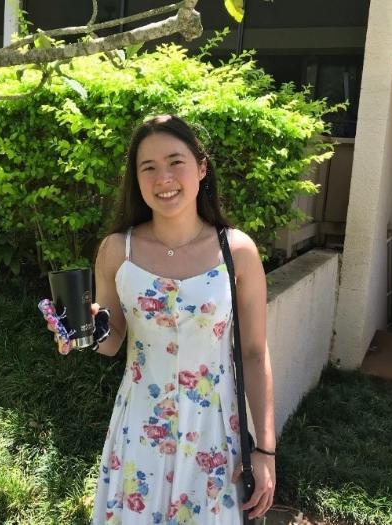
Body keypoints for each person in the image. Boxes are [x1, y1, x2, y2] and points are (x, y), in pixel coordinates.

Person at [89, 115, 275, 524]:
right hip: (139, 429)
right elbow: (110, 341)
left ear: (201, 168)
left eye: (176, 162)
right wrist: (81, 331)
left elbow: (254, 352)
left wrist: (264, 450)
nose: (164, 178)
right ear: (135, 178)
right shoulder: (118, 250)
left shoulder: (237, 251)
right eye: (148, 167)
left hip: (212, 434)